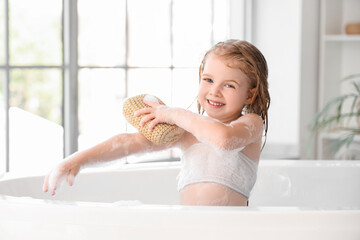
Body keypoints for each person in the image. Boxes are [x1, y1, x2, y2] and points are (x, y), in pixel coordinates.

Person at [43, 39, 270, 206]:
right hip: (188, 230)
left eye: (228, 85)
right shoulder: (187, 131)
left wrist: (172, 113)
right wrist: (77, 160)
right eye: (208, 80)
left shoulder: (250, 124)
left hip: (233, 230)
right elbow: (130, 143)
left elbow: (224, 139)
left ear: (249, 96)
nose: (214, 92)